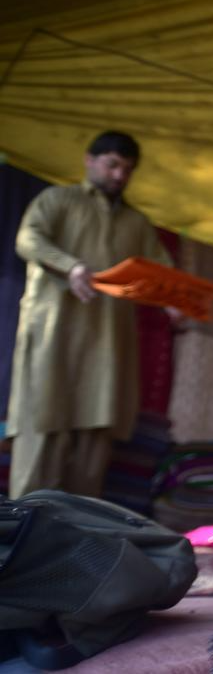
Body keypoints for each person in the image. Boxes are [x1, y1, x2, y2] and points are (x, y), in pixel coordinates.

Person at [7, 131, 174, 498]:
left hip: (107, 346)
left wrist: (176, 302)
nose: (119, 175)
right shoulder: (56, 200)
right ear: (89, 160)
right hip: (54, 336)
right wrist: (70, 267)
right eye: (112, 164)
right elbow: (28, 239)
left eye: (127, 169)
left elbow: (162, 275)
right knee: (42, 425)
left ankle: (80, 542)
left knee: (95, 436)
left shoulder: (137, 224)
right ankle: (20, 536)